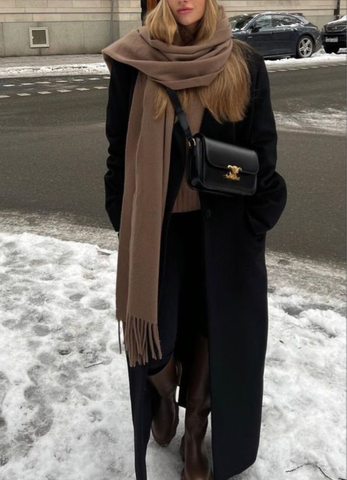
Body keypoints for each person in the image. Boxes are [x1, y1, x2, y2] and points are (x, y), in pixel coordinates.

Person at [101, 0, 287, 479]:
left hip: (225, 231)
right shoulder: (134, 58)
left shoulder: (243, 62)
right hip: (156, 230)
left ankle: (196, 429)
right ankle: (163, 391)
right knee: (157, 329)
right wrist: (121, 209)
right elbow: (118, 144)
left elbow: (262, 148)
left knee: (211, 327)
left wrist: (258, 219)